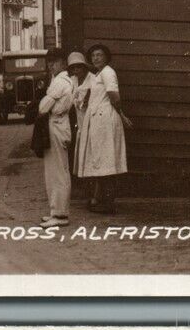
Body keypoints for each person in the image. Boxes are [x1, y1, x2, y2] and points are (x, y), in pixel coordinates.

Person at [73, 44, 128, 213]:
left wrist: (122, 114)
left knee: (107, 161)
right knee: (102, 160)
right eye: (94, 56)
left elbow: (114, 96)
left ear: (106, 57)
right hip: (99, 121)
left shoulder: (108, 72)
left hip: (105, 121)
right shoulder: (98, 74)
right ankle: (102, 200)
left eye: (100, 55)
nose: (96, 58)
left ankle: (108, 204)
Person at [36, 49, 78, 226]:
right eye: (49, 62)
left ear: (63, 63)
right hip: (57, 123)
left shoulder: (61, 81)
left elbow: (43, 107)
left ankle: (60, 214)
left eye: (54, 62)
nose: (51, 65)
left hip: (57, 123)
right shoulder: (61, 80)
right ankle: (56, 211)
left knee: (58, 171)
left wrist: (44, 102)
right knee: (55, 170)